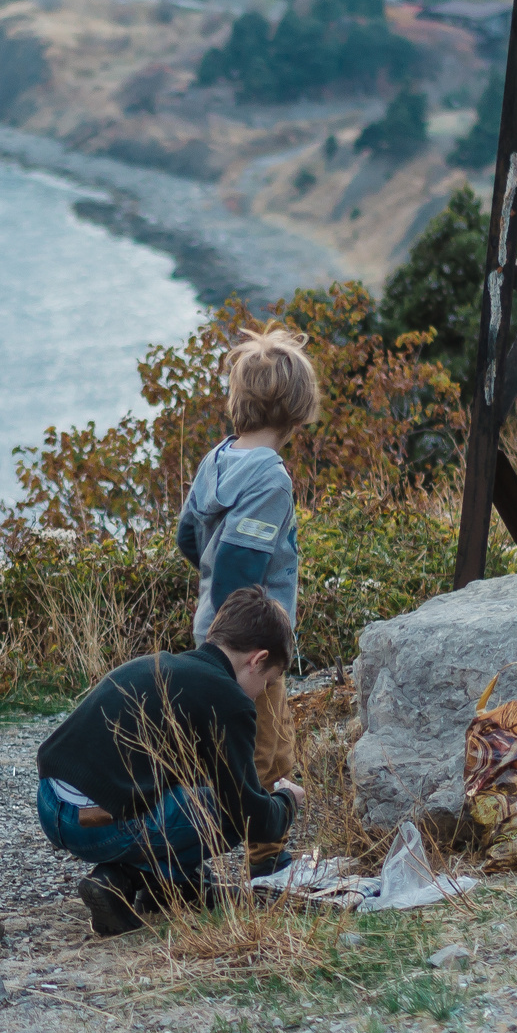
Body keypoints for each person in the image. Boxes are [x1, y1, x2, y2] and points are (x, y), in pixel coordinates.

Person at [35, 587, 305, 937]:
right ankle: (124, 881)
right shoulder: (230, 701)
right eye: (267, 682)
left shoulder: (157, 664)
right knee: (223, 812)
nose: (260, 693)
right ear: (257, 659)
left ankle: (159, 884)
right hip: (90, 824)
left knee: (193, 789)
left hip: (49, 803)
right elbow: (248, 813)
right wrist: (286, 801)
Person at [175, 324, 318, 875]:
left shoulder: (217, 461)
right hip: (252, 646)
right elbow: (239, 564)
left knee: (223, 743)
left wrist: (211, 599)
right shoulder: (269, 479)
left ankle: (190, 843)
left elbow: (191, 538)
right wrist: (255, 633)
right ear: (299, 407)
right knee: (268, 750)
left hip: (212, 635)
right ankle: (266, 856)